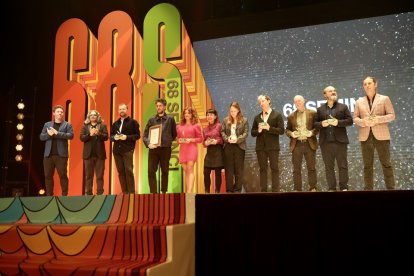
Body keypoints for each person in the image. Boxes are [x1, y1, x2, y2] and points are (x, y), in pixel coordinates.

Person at [353, 76, 396, 190]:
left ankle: (391, 189)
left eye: (369, 83)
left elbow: (392, 115)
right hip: (365, 136)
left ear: (375, 84)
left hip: (381, 135)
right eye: (365, 84)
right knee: (367, 166)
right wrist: (363, 122)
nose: (367, 86)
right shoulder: (359, 101)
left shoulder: (384, 99)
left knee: (386, 164)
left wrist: (378, 119)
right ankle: (368, 190)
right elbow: (355, 118)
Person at [314, 86, 353, 191]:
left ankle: (344, 188)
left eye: (335, 91)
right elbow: (315, 124)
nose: (333, 92)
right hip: (325, 142)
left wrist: (338, 122)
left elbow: (350, 121)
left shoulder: (343, 107)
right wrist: (322, 123)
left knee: (343, 165)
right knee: (328, 167)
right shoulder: (320, 109)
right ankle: (332, 188)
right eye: (330, 91)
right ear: (325, 95)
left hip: (340, 142)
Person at [251, 95, 284, 192]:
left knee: (274, 168)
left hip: (273, 147)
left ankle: (275, 190)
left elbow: (281, 130)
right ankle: (263, 191)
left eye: (263, 101)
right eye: (259, 102)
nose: (261, 103)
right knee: (262, 169)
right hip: (260, 147)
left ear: (269, 101)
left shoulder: (277, 115)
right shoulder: (257, 117)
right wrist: (259, 130)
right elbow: (253, 133)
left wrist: (269, 128)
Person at [143, 98, 177, 193]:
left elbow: (174, 134)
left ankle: (164, 191)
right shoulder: (151, 120)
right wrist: (149, 143)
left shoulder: (170, 119)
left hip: (165, 149)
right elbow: (145, 135)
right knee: (151, 171)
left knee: (165, 171)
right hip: (153, 149)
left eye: (160, 106)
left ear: (165, 107)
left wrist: (167, 141)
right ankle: (153, 192)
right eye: (157, 106)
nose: (158, 107)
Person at [285, 95, 319, 191]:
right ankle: (297, 189)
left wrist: (311, 132)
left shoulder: (312, 113)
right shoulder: (291, 116)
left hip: (309, 143)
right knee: (296, 169)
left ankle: (313, 188)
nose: (298, 103)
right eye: (295, 101)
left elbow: (317, 127)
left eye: (299, 100)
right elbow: (287, 130)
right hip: (297, 145)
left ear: (304, 101)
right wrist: (291, 134)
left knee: (311, 168)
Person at [39, 105, 74, 196]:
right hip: (48, 155)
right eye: (58, 111)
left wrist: (57, 133)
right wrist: (49, 135)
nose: (60, 113)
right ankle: (49, 195)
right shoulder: (47, 124)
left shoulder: (67, 124)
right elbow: (41, 137)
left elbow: (70, 136)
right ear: (54, 113)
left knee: (62, 175)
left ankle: (64, 195)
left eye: (61, 112)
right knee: (48, 176)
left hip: (61, 155)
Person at [110, 103, 140, 194]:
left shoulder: (133, 122)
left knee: (129, 170)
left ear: (127, 110)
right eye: (120, 109)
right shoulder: (115, 124)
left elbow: (137, 136)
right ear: (118, 111)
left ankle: (131, 193)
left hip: (128, 149)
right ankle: (125, 192)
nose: (121, 111)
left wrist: (126, 137)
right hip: (117, 151)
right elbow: (110, 136)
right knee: (121, 172)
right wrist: (114, 138)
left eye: (123, 109)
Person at [221, 102, 249, 193]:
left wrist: (237, 139)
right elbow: (222, 132)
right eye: (231, 111)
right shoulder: (226, 120)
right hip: (228, 147)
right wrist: (227, 138)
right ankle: (229, 190)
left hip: (239, 147)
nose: (232, 113)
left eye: (234, 111)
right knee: (229, 169)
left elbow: (245, 133)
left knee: (238, 169)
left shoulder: (244, 120)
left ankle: (237, 190)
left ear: (238, 110)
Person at [80, 110, 108, 195]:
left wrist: (98, 133)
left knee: (100, 176)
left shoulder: (102, 126)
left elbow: (106, 137)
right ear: (89, 117)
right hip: (88, 156)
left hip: (100, 155)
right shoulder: (85, 127)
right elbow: (81, 138)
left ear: (97, 117)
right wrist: (90, 135)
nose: (93, 116)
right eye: (91, 115)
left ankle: (100, 193)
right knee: (89, 176)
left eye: (94, 115)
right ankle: (88, 193)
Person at [176, 107, 203, 193]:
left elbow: (200, 139)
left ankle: (189, 192)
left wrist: (191, 140)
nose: (186, 114)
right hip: (183, 150)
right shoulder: (179, 126)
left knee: (190, 168)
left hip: (192, 149)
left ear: (192, 115)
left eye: (188, 113)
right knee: (186, 170)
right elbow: (177, 139)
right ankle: (189, 190)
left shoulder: (196, 125)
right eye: (185, 113)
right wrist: (179, 140)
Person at [202, 108, 224, 193]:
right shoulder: (205, 129)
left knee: (218, 173)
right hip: (209, 152)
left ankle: (217, 191)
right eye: (207, 115)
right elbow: (203, 143)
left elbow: (223, 139)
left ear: (215, 116)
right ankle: (207, 191)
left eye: (211, 115)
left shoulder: (219, 126)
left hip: (218, 151)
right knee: (206, 172)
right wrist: (206, 143)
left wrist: (216, 141)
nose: (209, 116)